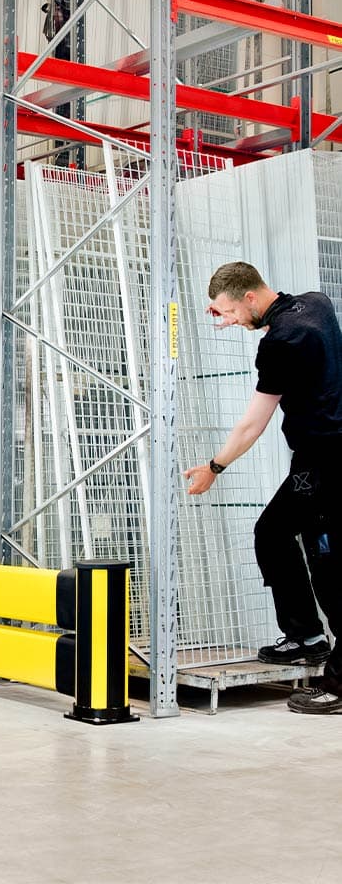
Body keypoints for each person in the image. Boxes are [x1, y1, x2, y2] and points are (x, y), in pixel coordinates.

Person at [184, 261, 342, 715]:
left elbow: (253, 424)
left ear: (251, 298)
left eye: (228, 312)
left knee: (329, 567)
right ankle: (307, 637)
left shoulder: (281, 342)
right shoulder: (317, 304)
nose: (227, 322)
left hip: (326, 463)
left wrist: (215, 466)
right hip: (317, 462)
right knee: (272, 532)